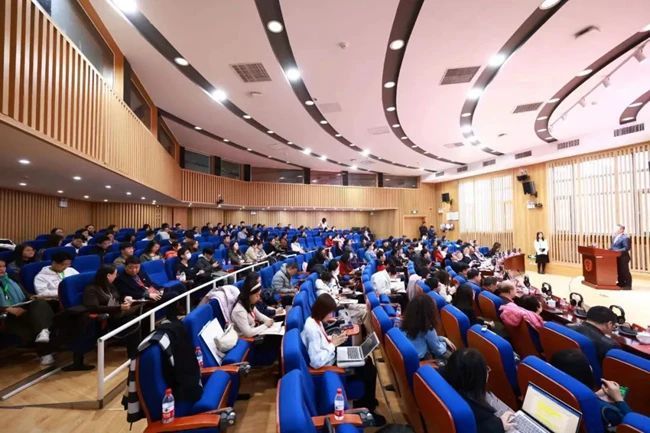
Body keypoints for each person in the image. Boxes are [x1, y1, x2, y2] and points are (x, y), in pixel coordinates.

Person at [300, 294, 386, 426]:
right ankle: (367, 408)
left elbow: (322, 343)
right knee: (369, 370)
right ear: (322, 311)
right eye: (329, 312)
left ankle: (368, 402)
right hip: (329, 366)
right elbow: (316, 362)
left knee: (367, 361)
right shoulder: (312, 330)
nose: (331, 316)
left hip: (332, 356)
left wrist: (335, 339)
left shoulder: (315, 321)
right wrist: (333, 345)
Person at [550, 349, 631, 428]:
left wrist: (594, 396)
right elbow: (631, 426)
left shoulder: (553, 391)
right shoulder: (608, 411)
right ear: (587, 372)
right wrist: (619, 399)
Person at [442, 348, 515, 433]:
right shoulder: (479, 412)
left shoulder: (443, 381)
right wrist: (500, 425)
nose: (488, 371)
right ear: (477, 380)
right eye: (485, 369)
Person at [0, 259, 56, 365]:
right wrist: (6, 309)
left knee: (40, 304)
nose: (2, 269)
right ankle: (45, 350)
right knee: (36, 321)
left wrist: (32, 297)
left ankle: (44, 333)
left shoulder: (11, 278)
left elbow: (25, 294)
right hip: (6, 315)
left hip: (22, 307)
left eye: (3, 266)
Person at [401, 294, 455, 360]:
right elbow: (438, 350)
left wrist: (443, 339)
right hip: (420, 360)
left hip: (408, 358)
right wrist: (445, 344)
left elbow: (429, 339)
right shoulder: (427, 328)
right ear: (429, 311)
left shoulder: (405, 322)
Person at [610, 224, 631, 289]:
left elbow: (626, 248)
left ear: (622, 230)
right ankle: (621, 283)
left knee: (625, 271)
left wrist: (616, 251)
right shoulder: (614, 237)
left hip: (623, 257)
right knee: (619, 271)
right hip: (616, 257)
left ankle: (628, 285)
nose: (615, 230)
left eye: (617, 228)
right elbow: (613, 247)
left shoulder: (625, 237)